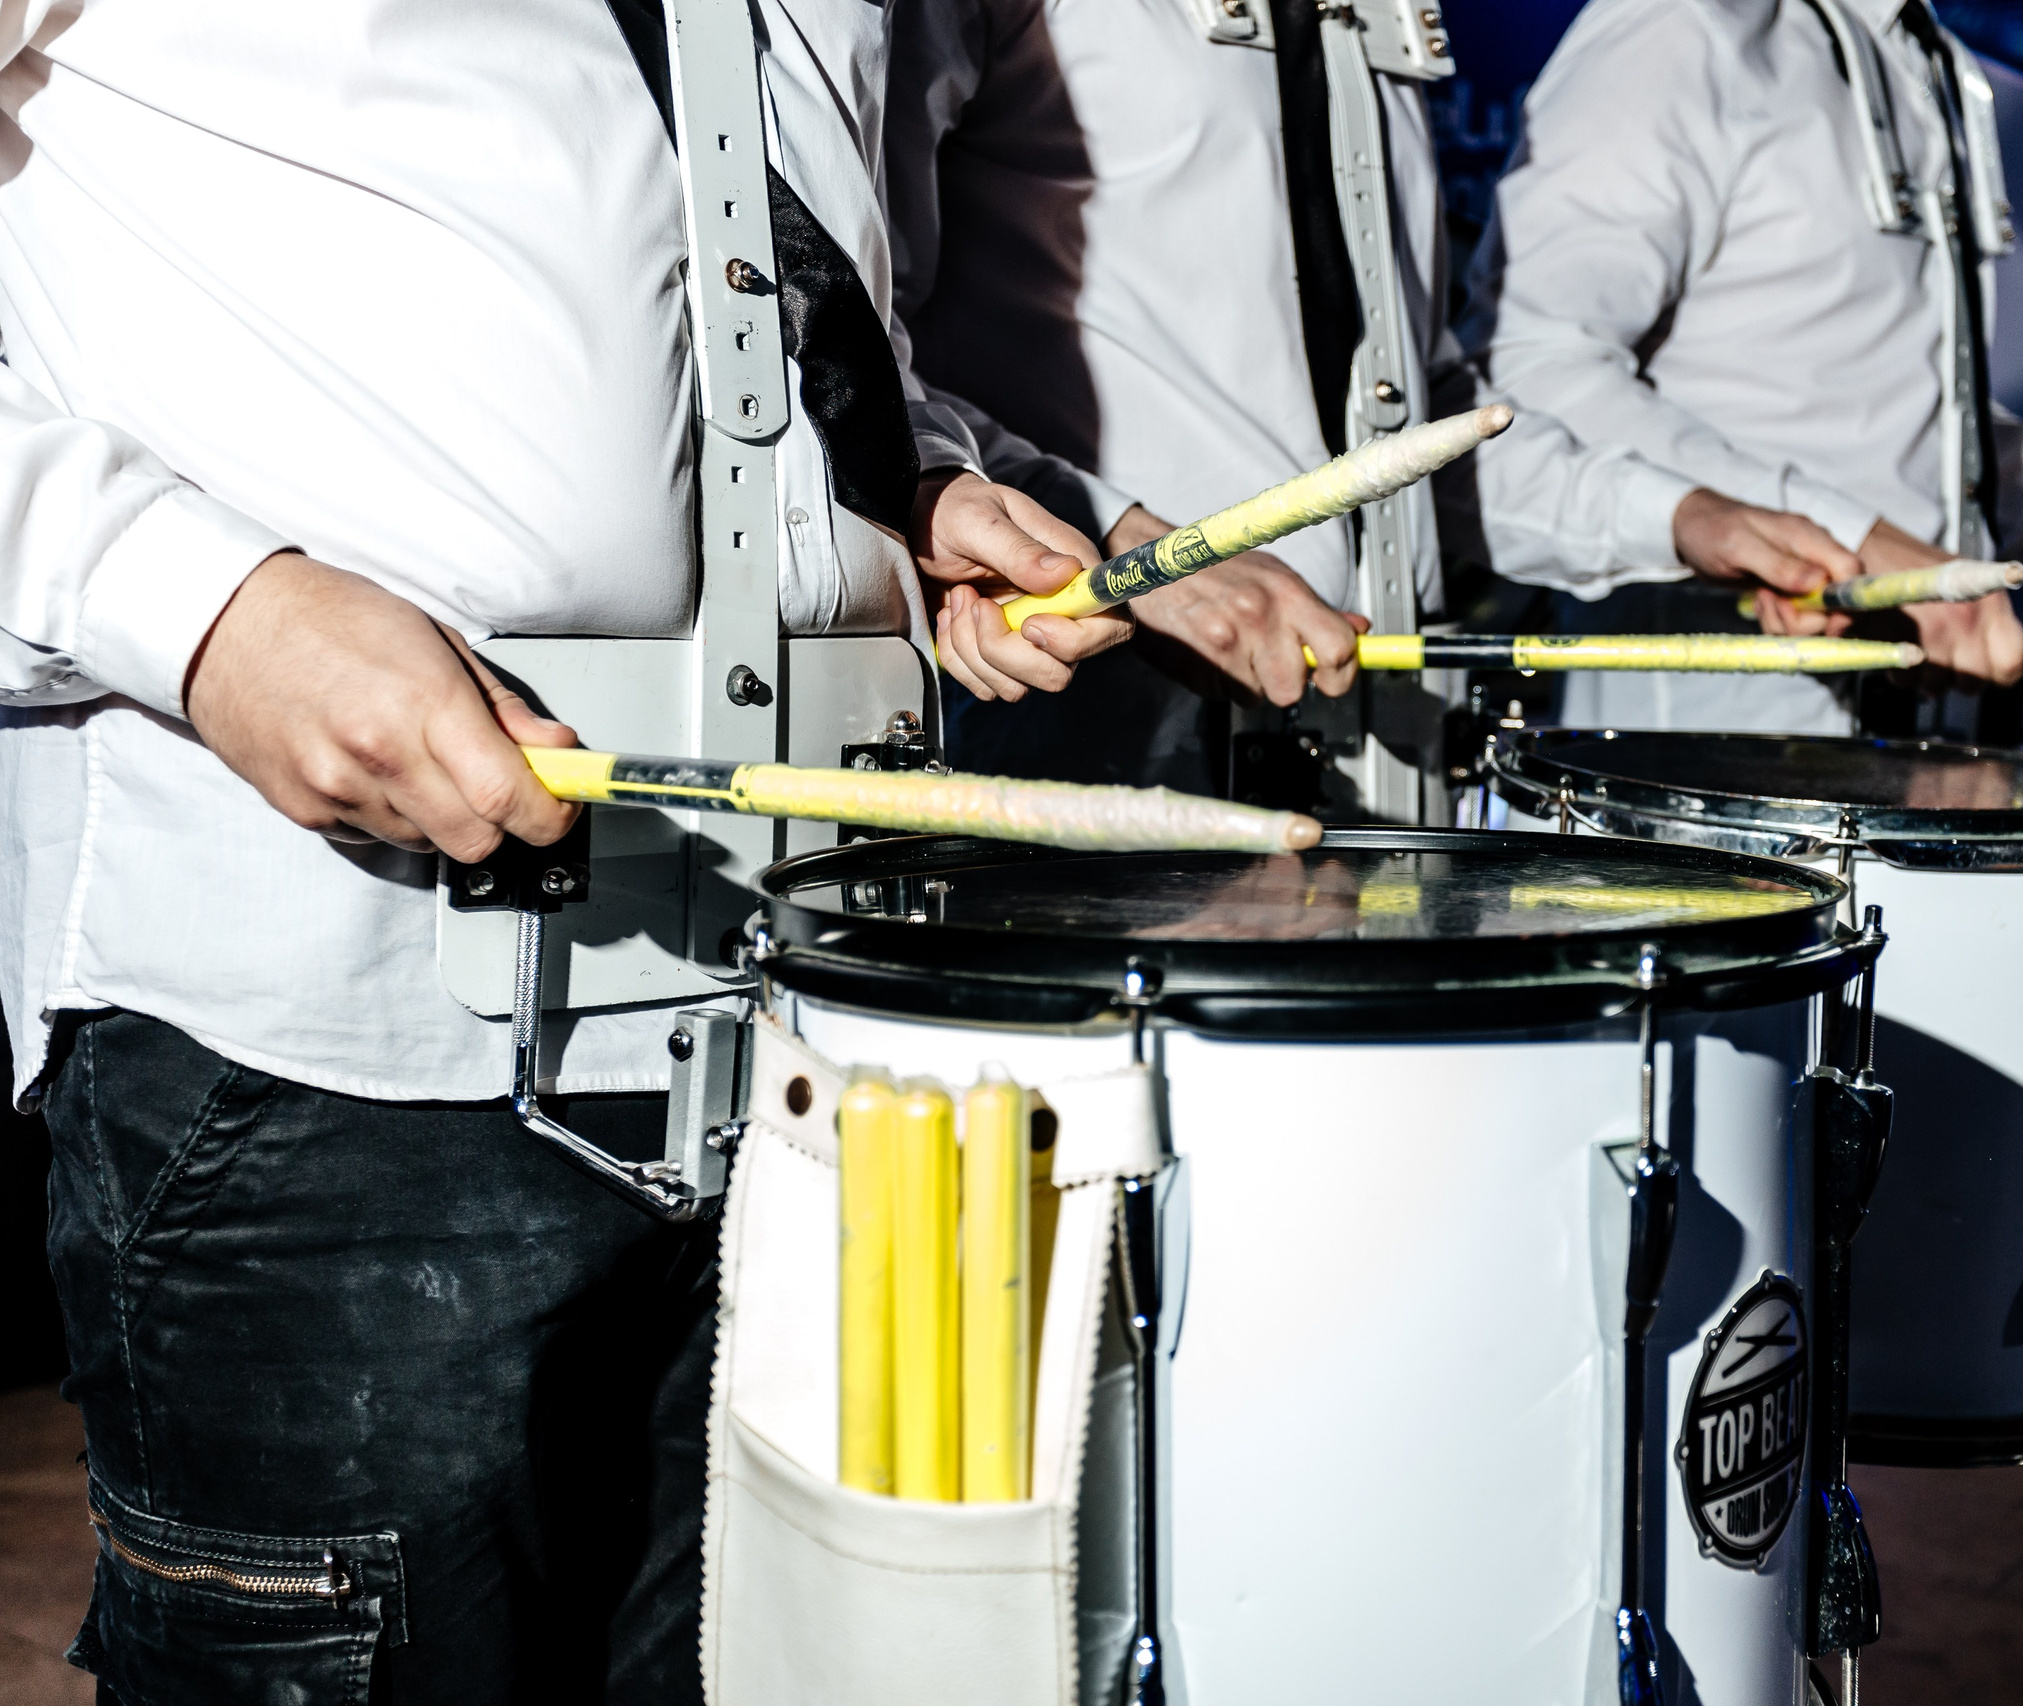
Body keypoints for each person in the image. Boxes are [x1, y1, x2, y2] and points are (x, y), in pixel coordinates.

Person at [0, 4, 1125, 1699]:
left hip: (818, 1016)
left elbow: (754, 264)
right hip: (343, 1066)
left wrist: (890, 492)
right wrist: (202, 610)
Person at [885, 0, 1895, 812]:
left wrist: (1684, 518)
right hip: (1082, 751)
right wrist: (1128, 549)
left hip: (1373, 761)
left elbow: (1413, 425)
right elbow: (855, 361)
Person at [1463, 0, 2023, 738]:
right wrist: (1858, 542)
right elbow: (1531, 372)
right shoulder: (1678, 28)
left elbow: (1908, 422)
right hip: (1698, 766)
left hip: (1916, 754)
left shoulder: (1923, 53)